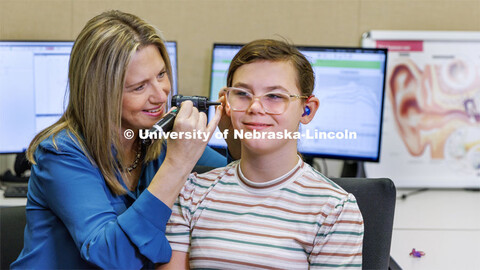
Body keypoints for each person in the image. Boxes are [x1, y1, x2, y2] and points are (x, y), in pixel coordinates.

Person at [11, 10, 231, 269]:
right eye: (140, 87)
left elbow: (235, 176)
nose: (161, 96)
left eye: (161, 75)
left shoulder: (157, 139)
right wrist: (177, 164)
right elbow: (114, 258)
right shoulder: (61, 153)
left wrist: (233, 134)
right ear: (101, 95)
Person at [161, 39, 364, 269]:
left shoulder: (335, 210)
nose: (255, 107)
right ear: (226, 103)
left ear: (307, 110)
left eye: (275, 96)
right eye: (242, 94)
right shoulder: (191, 192)